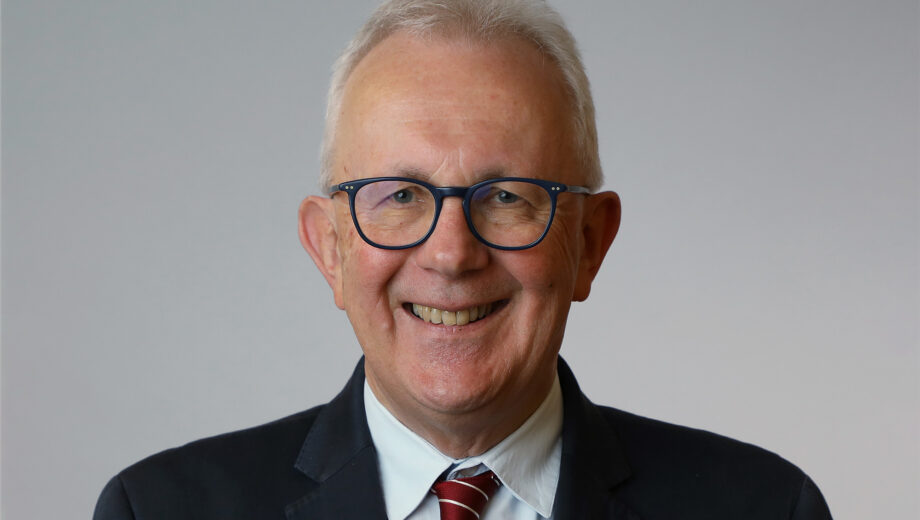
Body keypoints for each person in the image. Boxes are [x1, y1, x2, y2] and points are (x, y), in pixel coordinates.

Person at [93, 0, 833, 518]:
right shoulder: (159, 509)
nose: (450, 253)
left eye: (508, 197)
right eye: (401, 196)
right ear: (330, 248)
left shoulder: (765, 507)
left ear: (590, 243)